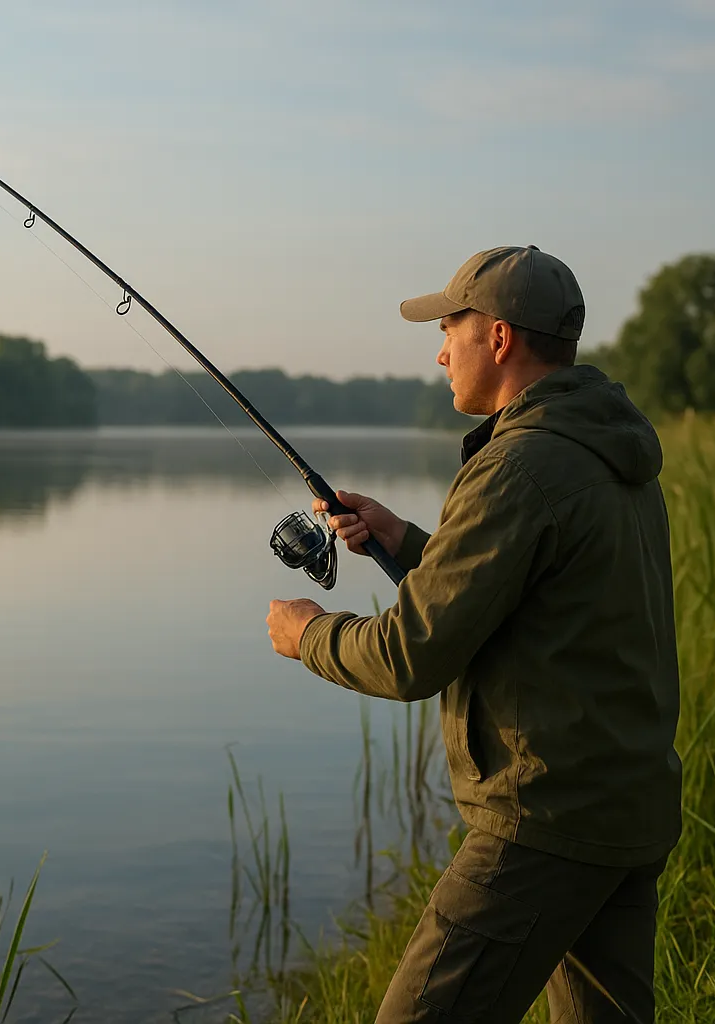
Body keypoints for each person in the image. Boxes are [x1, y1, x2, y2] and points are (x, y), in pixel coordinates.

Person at [266, 245, 682, 1024]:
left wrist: (310, 633)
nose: (439, 349)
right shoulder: (610, 451)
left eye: (450, 328)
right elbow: (541, 599)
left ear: (497, 339)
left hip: (546, 821)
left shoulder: (517, 467)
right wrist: (406, 542)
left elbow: (411, 656)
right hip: (627, 804)